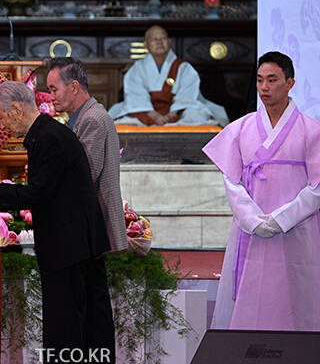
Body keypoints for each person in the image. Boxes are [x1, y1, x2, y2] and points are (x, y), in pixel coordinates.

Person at [0, 81, 113, 364]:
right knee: (87, 320)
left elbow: (40, 193)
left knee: (67, 323)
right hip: (78, 241)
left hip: (69, 244)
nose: (3, 125)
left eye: (3, 116)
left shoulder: (47, 136)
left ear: (17, 109)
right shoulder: (48, 133)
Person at [203, 51, 320, 331]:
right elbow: (232, 180)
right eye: (259, 80)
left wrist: (283, 218)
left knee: (299, 298)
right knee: (249, 299)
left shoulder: (311, 131)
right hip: (250, 229)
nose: (264, 88)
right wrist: (253, 219)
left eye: (272, 80)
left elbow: (317, 187)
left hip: (298, 230)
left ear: (290, 83)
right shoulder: (240, 128)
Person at [45, 57, 125, 364]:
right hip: (84, 228)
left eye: (53, 89)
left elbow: (82, 175)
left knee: (90, 313)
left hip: (87, 229)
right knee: (90, 311)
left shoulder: (92, 119)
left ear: (74, 86)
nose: (50, 97)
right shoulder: (83, 118)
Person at [108, 25, 228, 127]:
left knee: (197, 114)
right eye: (154, 39)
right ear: (146, 45)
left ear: (169, 42)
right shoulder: (138, 68)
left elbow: (188, 94)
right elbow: (135, 95)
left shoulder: (183, 67)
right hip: (146, 112)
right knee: (123, 120)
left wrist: (171, 114)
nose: (159, 42)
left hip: (176, 112)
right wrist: (154, 115)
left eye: (163, 38)